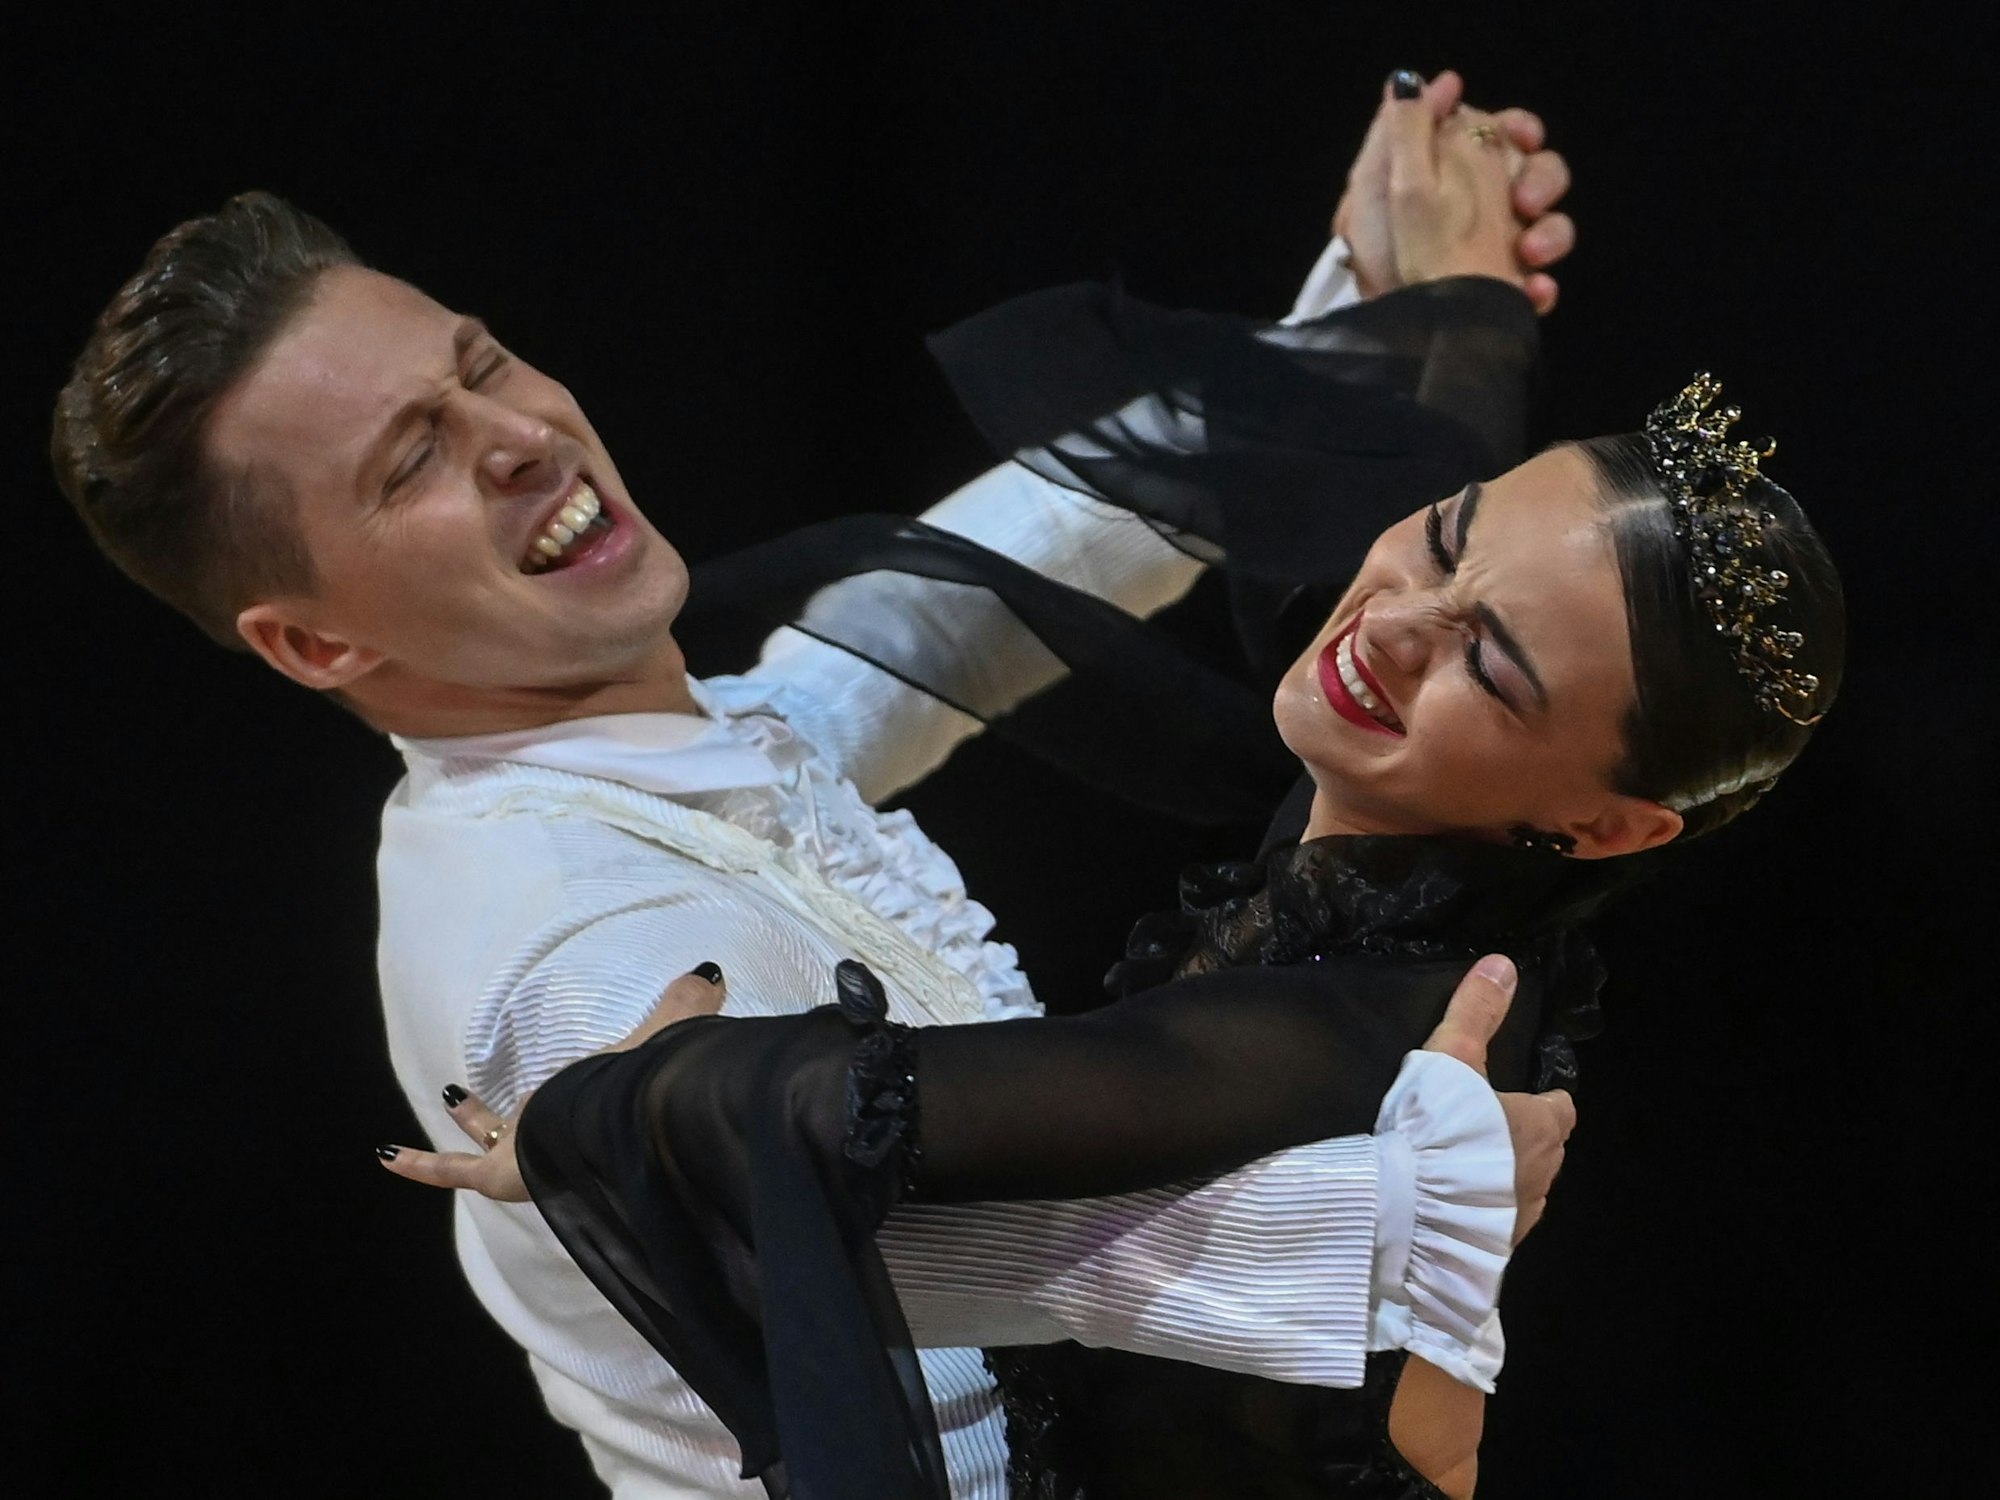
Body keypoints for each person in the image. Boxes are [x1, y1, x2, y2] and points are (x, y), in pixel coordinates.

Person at [52, 71, 1582, 1500]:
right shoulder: (563, 946)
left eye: (481, 364)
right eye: (412, 463)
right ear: (314, 640)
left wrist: (1363, 327)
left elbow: (937, 615)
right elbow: (878, 1256)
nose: (519, 437)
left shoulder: (630, 756)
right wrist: (1383, 1234)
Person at [385, 95, 1845, 1500]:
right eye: (1446, 544)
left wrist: (592, 1119)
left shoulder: (1361, 1027)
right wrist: (1434, 305)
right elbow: (1429, 496)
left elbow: (864, 1119)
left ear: (1608, 825)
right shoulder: (1423, 825)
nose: (1394, 622)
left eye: (1494, 663)